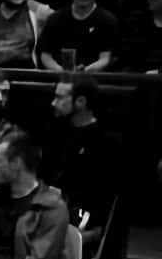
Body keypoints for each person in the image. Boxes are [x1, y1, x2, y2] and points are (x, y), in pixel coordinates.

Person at [41, 73, 125, 230]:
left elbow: (107, 192)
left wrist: (63, 195)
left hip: (84, 216)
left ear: (81, 102)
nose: (53, 103)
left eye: (60, 98)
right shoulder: (53, 132)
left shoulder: (107, 141)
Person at [35, 0, 119, 73]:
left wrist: (85, 71)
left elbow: (105, 58)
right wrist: (61, 71)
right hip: (58, 77)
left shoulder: (107, 20)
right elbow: (45, 55)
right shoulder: (55, 19)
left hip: (93, 80)